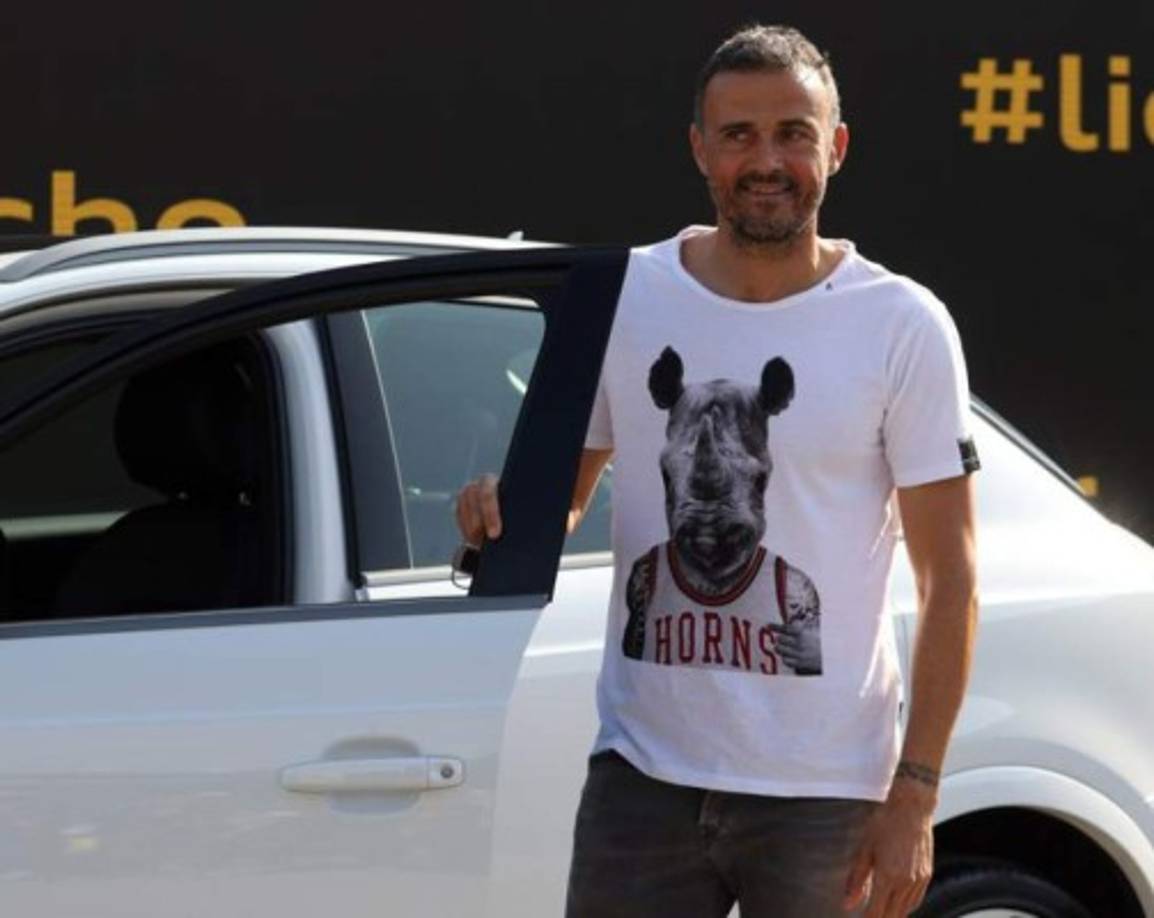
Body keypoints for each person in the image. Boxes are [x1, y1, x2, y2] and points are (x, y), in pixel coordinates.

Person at [455, 23, 979, 918]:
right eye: (739, 134)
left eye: (793, 133)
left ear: (836, 147)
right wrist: (498, 514)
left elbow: (953, 580)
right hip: (644, 776)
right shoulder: (626, 296)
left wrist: (916, 793)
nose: (765, 160)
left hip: (823, 792)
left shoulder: (902, 325)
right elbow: (560, 500)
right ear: (700, 149)